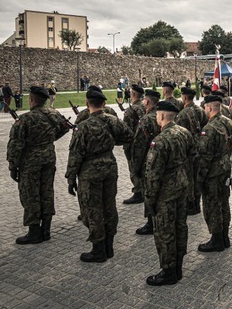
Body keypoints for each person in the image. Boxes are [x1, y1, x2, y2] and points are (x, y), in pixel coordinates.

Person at [66, 87, 133, 262]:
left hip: (90, 171)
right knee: (109, 206)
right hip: (109, 166)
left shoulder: (83, 126)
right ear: (104, 103)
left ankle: (98, 249)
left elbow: (75, 154)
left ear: (88, 104)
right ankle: (109, 245)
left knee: (93, 209)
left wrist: (71, 178)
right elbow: (129, 136)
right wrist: (110, 143)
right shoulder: (113, 121)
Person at [6, 86, 71, 244]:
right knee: (46, 191)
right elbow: (66, 127)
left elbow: (15, 145)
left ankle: (34, 231)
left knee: (30, 194)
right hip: (49, 158)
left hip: (31, 161)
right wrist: (50, 139)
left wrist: (13, 167)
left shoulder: (25, 119)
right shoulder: (53, 114)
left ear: (31, 100)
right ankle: (46, 229)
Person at [144, 101, 194, 286]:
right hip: (181, 186)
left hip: (165, 193)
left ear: (162, 116)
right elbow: (191, 158)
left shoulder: (161, 140)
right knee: (180, 226)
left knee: (165, 230)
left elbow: (153, 174)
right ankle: (178, 266)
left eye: (158, 115)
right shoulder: (184, 132)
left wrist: (149, 199)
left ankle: (168, 271)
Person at [196, 94, 232, 253]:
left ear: (209, 107)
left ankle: (216, 239)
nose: (204, 110)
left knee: (212, 206)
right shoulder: (228, 122)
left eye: (205, 107)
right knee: (224, 203)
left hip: (212, 173)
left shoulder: (209, 128)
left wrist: (199, 178)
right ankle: (225, 237)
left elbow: (205, 157)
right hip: (225, 170)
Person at [131, 89, 162, 234]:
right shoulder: (163, 115)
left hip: (149, 162)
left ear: (148, 101)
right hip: (164, 162)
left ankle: (151, 223)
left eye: (144, 100)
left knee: (149, 192)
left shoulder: (147, 119)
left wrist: (136, 167)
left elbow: (139, 146)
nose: (143, 102)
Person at [176, 86, 208, 215]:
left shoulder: (183, 114)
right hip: (199, 148)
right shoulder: (200, 110)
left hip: (188, 151)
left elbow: (179, 133)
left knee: (189, 178)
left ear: (184, 97)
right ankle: (196, 204)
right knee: (197, 177)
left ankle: (190, 205)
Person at [122, 85, 147, 204]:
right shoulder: (144, 107)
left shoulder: (131, 110)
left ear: (132, 95)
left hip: (134, 143)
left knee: (134, 166)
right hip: (145, 141)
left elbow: (126, 129)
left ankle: (138, 191)